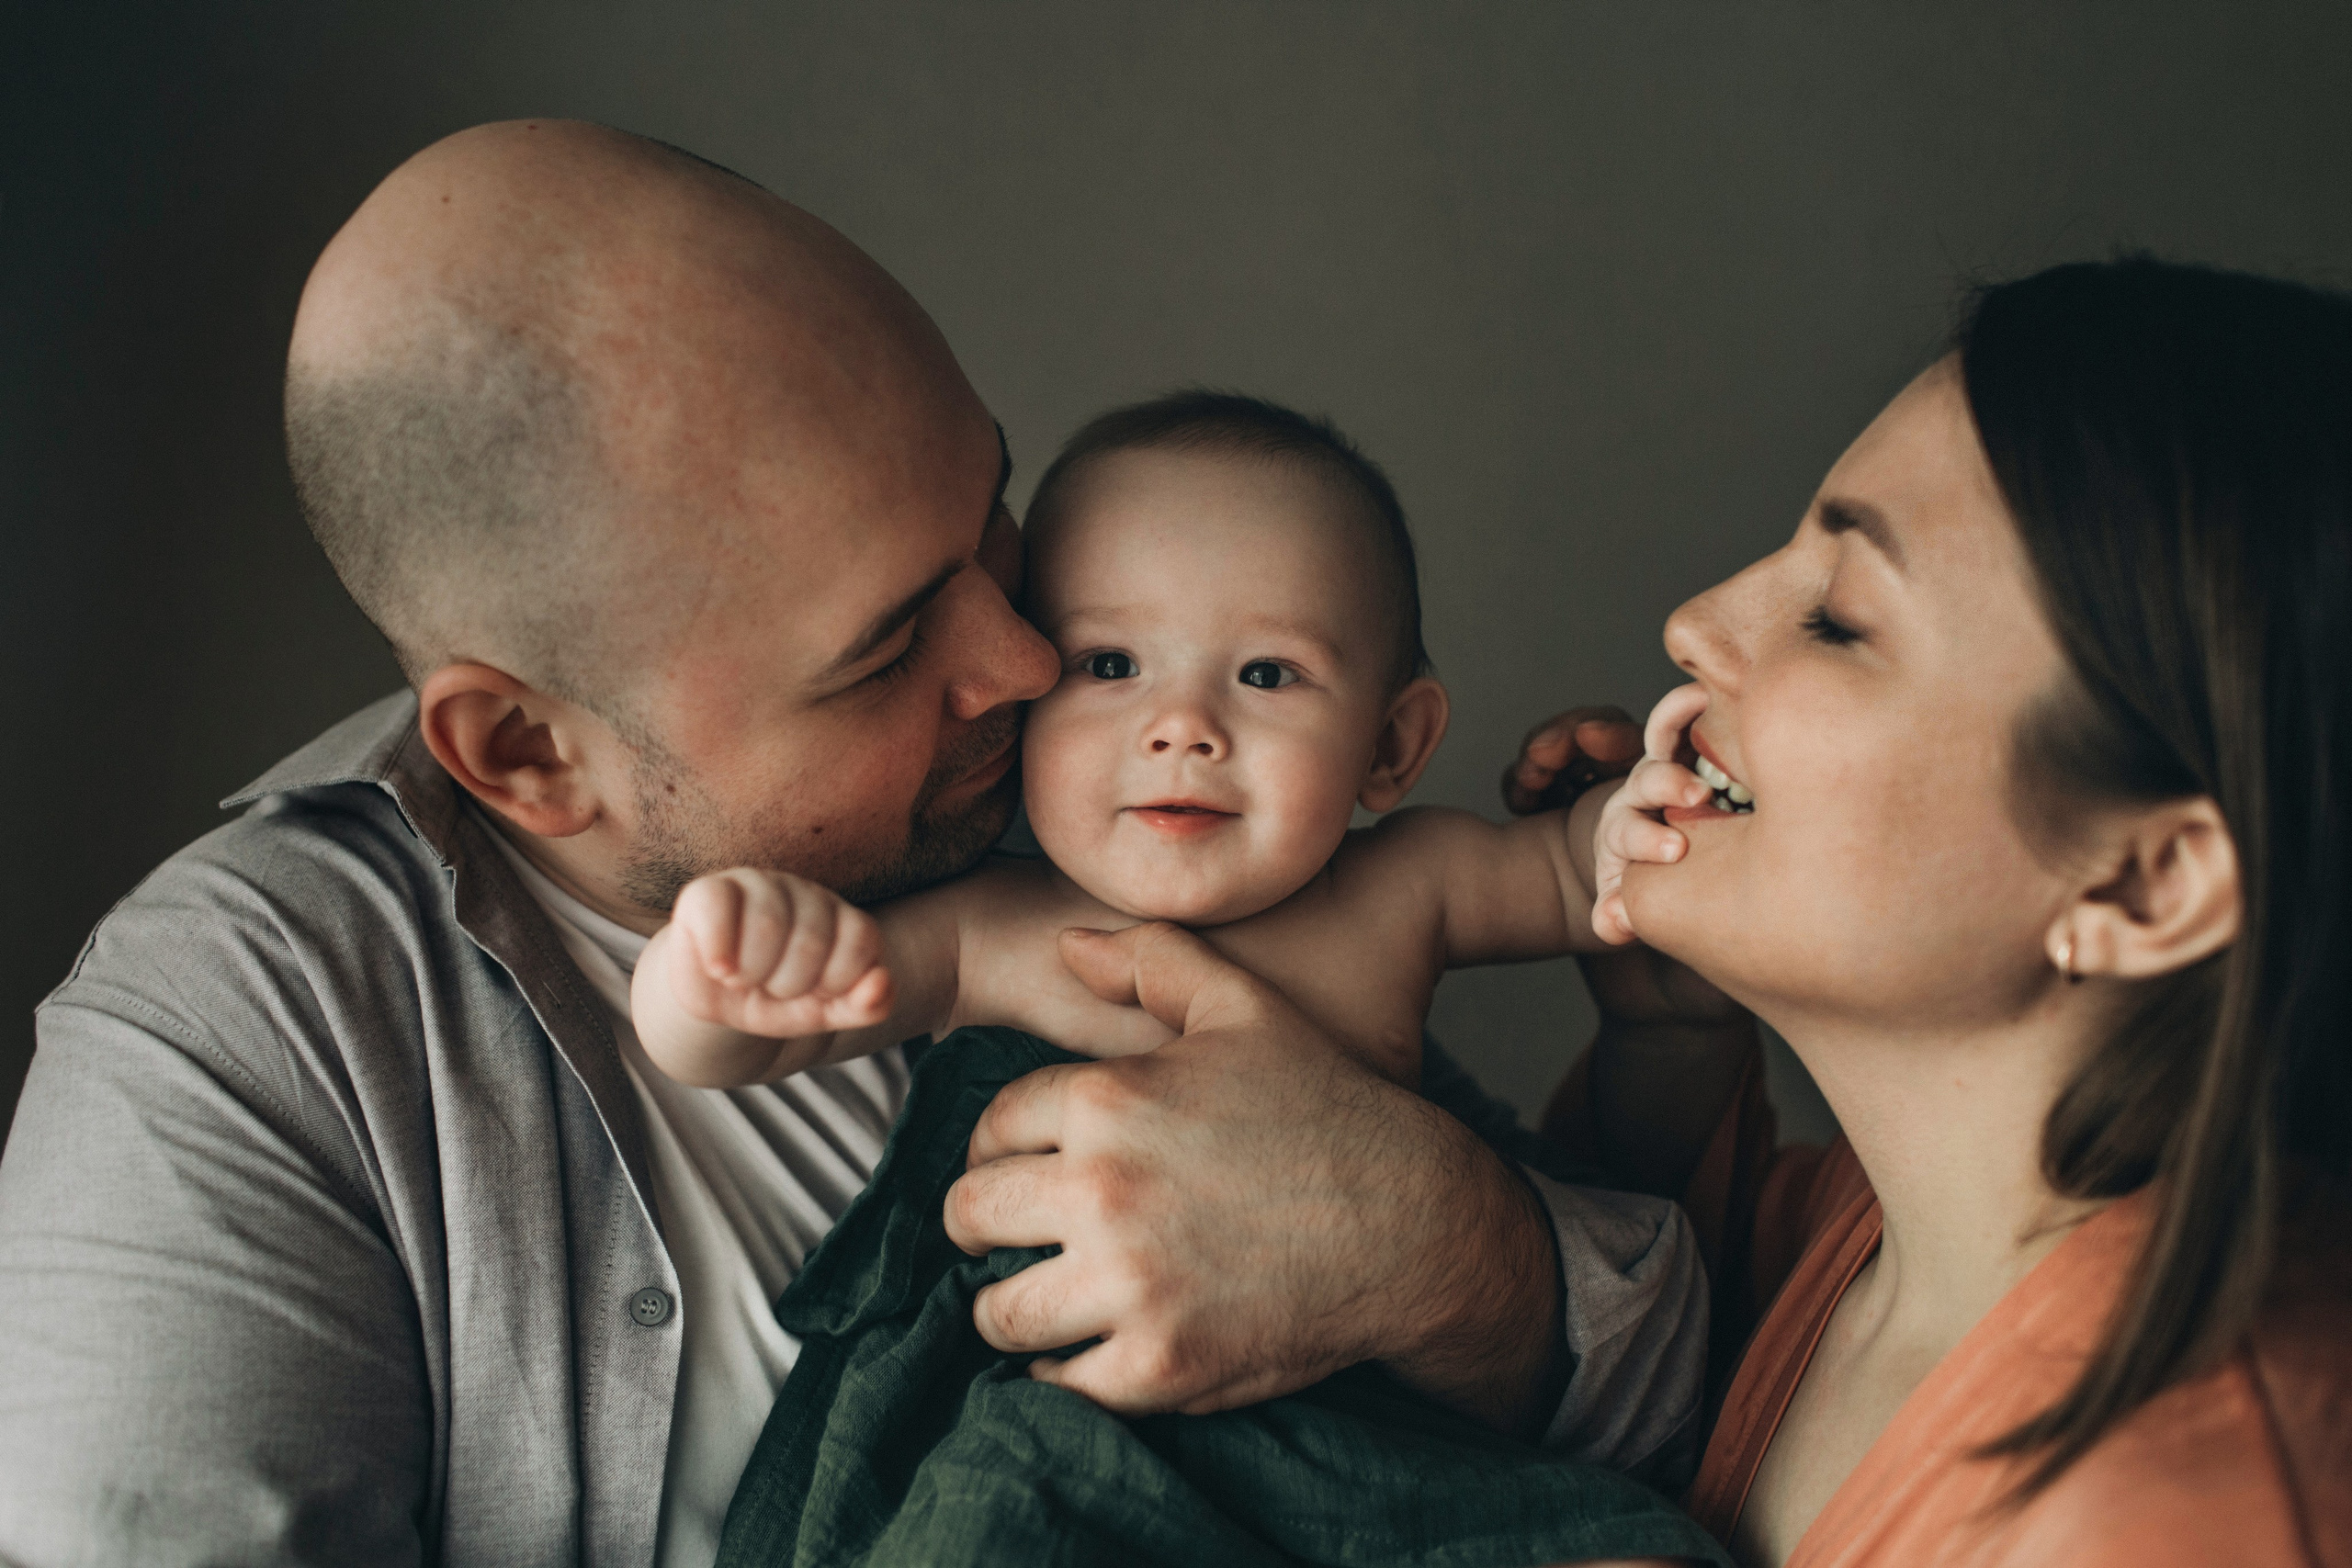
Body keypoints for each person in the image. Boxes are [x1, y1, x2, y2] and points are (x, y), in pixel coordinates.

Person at [0, 121, 1719, 1566]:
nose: (1032, 666)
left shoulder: (1076, 849)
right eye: (892, 646)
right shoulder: (234, 1060)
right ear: (531, 751)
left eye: (997, 519)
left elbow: (1670, 1379)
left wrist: (1438, 1246)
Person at [624, 390, 1726, 1565]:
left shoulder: (1405, 885)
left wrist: (1628, 808)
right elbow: (750, 1040)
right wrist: (709, 979)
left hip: (1367, 1427)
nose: (1183, 726)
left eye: (1265, 674)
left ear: (1394, 745)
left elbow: (1582, 878)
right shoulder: (996, 925)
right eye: (1111, 663)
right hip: (1048, 1411)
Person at [1513, 257, 2352, 1562]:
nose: (1695, 623)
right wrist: (1667, 1041)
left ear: (2146, 882)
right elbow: (1657, 1306)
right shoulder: (1871, 1240)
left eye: (1841, 619)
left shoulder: (2185, 1511)